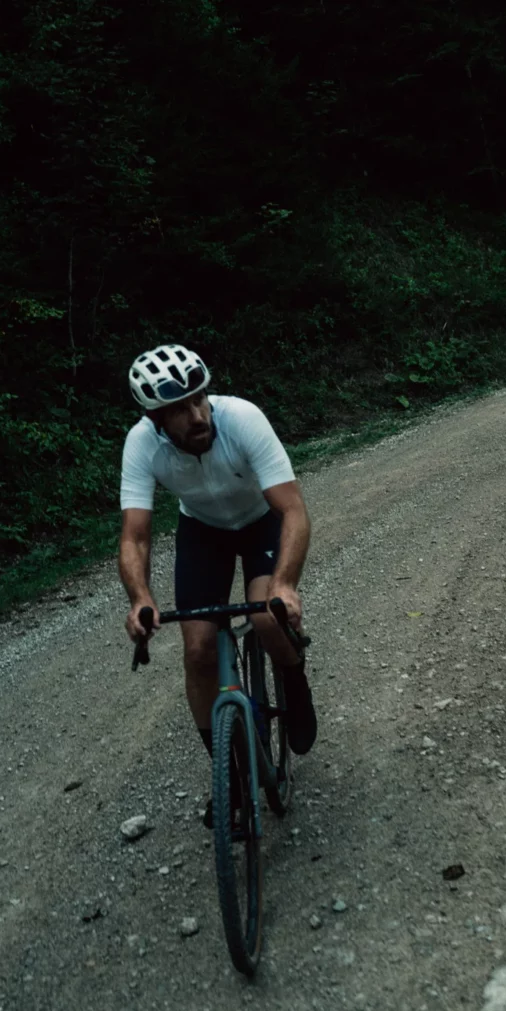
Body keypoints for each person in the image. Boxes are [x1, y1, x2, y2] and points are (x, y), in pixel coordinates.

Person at [117, 344, 317, 826]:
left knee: (267, 616)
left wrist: (285, 584)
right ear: (156, 420)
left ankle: (292, 676)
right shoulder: (141, 445)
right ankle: (230, 778)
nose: (196, 415)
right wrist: (141, 598)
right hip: (203, 532)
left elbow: (293, 510)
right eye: (179, 410)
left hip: (260, 521)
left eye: (198, 400)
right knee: (199, 650)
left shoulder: (243, 418)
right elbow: (135, 535)